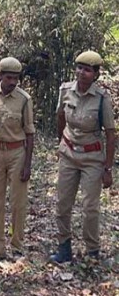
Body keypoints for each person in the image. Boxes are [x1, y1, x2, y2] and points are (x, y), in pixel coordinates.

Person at [50, 51, 115, 263]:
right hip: (68, 154)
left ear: (96, 74)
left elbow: (110, 133)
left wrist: (107, 168)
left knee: (90, 207)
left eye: (87, 70)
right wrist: (62, 144)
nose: (82, 73)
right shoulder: (65, 90)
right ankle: (63, 247)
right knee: (62, 204)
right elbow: (61, 117)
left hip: (92, 158)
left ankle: (92, 251)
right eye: (79, 68)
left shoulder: (102, 99)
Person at [0, 57, 35, 263]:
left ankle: (17, 246)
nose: (13, 82)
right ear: (0, 76)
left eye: (16, 78)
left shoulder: (24, 99)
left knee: (18, 202)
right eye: (8, 77)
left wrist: (27, 164)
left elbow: (30, 133)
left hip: (17, 153)